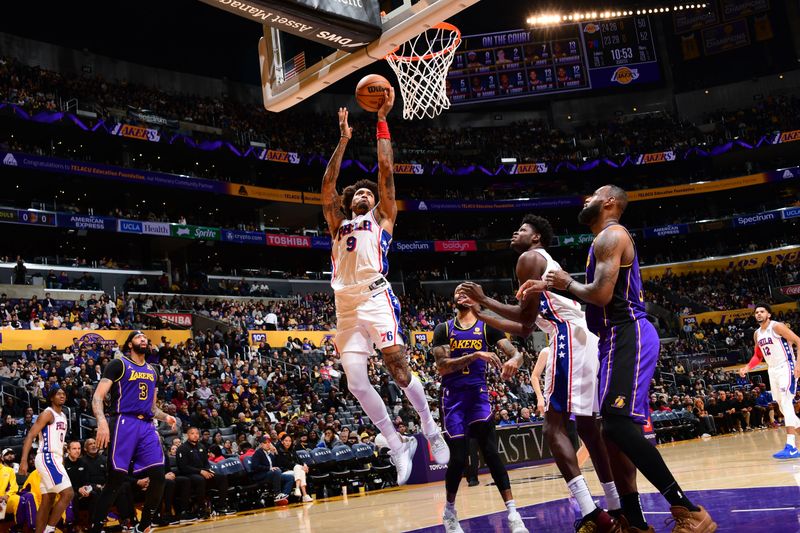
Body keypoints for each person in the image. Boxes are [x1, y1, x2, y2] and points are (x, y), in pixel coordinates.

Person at [520, 185, 717, 532]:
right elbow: (591, 294)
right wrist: (552, 287)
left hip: (629, 332)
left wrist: (563, 283)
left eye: (592, 194)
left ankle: (687, 508)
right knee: (610, 432)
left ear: (609, 202)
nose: (585, 198)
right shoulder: (601, 241)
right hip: (611, 339)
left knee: (616, 424)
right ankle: (635, 521)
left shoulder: (611, 235)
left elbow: (599, 294)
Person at [458, 215, 623, 532]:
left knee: (552, 428)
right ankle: (617, 507)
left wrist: (482, 299)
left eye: (523, 229)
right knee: (588, 427)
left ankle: (592, 513)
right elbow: (525, 326)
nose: (515, 231)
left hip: (567, 334)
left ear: (536, 239)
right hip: (583, 334)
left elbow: (524, 317)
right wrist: (481, 312)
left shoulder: (528, 258)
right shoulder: (540, 260)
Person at [320, 93, 448, 485]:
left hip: (375, 295)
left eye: (369, 194)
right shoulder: (337, 223)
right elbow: (326, 186)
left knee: (397, 367)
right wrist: (343, 140)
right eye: (358, 193)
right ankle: (396, 443)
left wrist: (381, 122)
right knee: (356, 380)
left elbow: (386, 171)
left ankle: (430, 427)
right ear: (348, 201)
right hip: (345, 304)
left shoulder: (383, 218)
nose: (364, 194)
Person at [431, 288, 528, 533]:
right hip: (452, 398)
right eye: (457, 291)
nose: (462, 295)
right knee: (459, 457)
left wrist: (515, 360)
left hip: (478, 395)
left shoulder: (488, 327)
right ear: (453, 299)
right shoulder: (444, 328)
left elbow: (516, 352)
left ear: (476, 298)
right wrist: (475, 355)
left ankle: (513, 513)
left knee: (491, 453)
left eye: (467, 291)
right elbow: (442, 366)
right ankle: (450, 512)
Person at [89, 330, 177, 533]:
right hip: (123, 422)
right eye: (138, 337)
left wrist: (166, 417)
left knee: (158, 476)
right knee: (116, 479)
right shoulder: (118, 364)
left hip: (146, 425)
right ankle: (96, 526)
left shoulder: (154, 370)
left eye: (145, 337)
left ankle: (144, 524)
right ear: (130, 344)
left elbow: (153, 408)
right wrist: (102, 422)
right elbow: (97, 397)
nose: (143, 339)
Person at [739, 303, 800, 458]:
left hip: (786, 366)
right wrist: (747, 367)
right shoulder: (757, 334)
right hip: (772, 369)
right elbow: (758, 356)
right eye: (756, 312)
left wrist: (798, 364)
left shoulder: (777, 327)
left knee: (786, 402)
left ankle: (791, 446)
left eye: (762, 311)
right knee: (782, 406)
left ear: (769, 314)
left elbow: (798, 341)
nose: (758, 314)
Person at [19, 386, 73, 533]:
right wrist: (24, 460)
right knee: (68, 494)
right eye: (58, 394)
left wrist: (61, 459)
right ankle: (49, 530)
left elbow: (59, 441)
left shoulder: (63, 415)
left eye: (63, 393)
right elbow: (30, 435)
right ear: (51, 398)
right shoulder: (47, 413)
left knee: (48, 499)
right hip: (47, 456)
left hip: (56, 458)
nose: (62, 396)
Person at [176, 427, 232, 516]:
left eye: (197, 433)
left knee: (222, 477)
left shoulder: (201, 446)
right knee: (200, 480)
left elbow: (206, 463)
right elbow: (183, 467)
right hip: (189, 474)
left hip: (203, 472)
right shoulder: (182, 448)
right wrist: (200, 471)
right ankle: (201, 508)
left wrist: (208, 470)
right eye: (192, 433)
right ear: (187, 435)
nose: (195, 435)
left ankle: (222, 506)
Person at [248, 436, 290, 505]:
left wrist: (276, 453)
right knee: (276, 471)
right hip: (261, 476)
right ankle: (277, 494)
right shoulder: (258, 453)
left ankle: (283, 497)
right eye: (265, 443)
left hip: (271, 474)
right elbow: (255, 466)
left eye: (269, 443)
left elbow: (277, 464)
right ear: (261, 444)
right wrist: (268, 468)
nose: (268, 444)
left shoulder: (270, 454)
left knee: (289, 477)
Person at [274, 433, 312, 502]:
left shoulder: (292, 450)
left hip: (295, 471)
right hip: (284, 471)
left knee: (300, 470)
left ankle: (299, 490)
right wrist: (300, 467)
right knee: (299, 469)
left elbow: (299, 460)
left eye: (289, 441)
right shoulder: (278, 451)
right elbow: (287, 464)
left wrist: (304, 465)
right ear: (282, 442)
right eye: (286, 441)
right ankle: (305, 495)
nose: (288, 443)